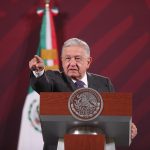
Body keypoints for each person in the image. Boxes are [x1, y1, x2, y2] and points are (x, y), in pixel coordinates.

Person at [29, 38, 137, 150]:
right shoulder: (53, 78)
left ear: (88, 62)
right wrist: (39, 72)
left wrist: (127, 127)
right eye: (67, 58)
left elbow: (114, 114)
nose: (72, 63)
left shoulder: (104, 83)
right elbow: (42, 84)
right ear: (62, 61)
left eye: (77, 58)